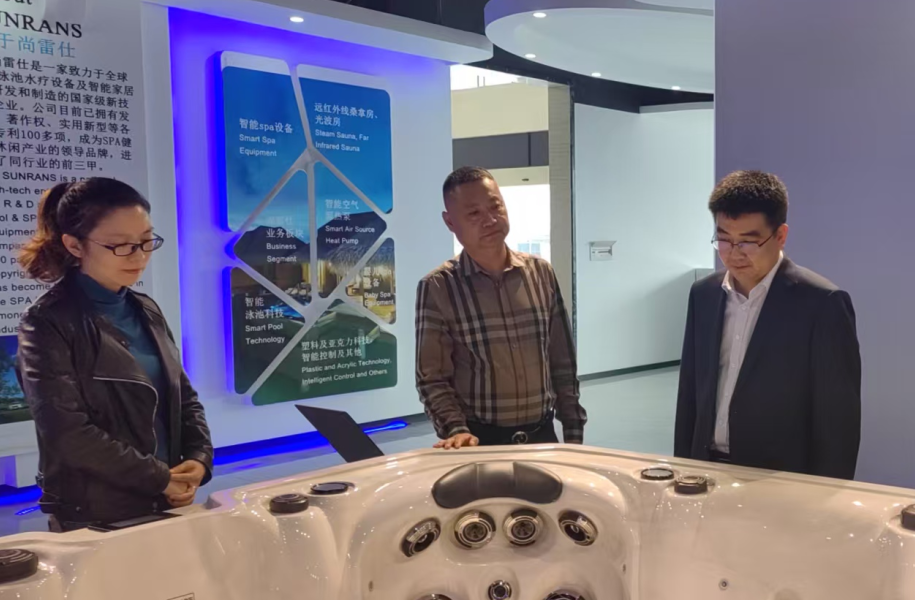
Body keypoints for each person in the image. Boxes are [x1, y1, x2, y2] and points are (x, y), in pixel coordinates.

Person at [16, 178, 214, 532]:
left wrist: (199, 458)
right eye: (120, 245)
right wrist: (159, 478)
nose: (139, 256)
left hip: (165, 501)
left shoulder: (145, 308)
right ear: (74, 245)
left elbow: (183, 397)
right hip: (94, 513)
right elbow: (68, 433)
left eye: (146, 241)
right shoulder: (46, 322)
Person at [675, 170, 861, 479]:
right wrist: (684, 469)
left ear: (780, 235)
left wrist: (828, 494)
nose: (734, 254)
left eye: (748, 242)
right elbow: (690, 394)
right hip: (706, 470)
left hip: (781, 478)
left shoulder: (822, 303)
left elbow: (838, 421)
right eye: (724, 240)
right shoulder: (703, 294)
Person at [415, 166, 587, 449]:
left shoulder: (540, 273)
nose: (490, 220)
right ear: (450, 222)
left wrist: (573, 432)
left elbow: (562, 360)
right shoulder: (438, 287)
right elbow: (432, 378)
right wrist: (456, 429)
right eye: (474, 213)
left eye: (496, 207)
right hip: (479, 442)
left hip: (543, 437)